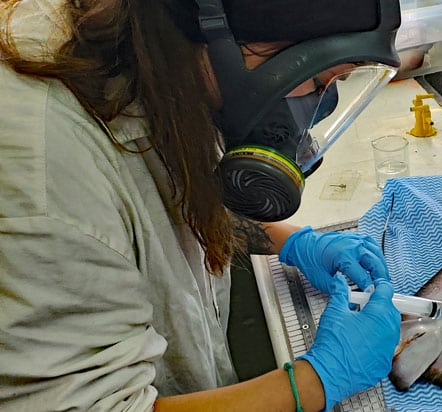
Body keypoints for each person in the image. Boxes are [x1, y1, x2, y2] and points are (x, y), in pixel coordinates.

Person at [0, 0, 403, 410]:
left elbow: (162, 207)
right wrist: (315, 381)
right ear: (227, 41)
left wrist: (294, 243)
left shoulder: (173, 58)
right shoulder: (45, 176)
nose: (318, 106)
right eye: (318, 80)